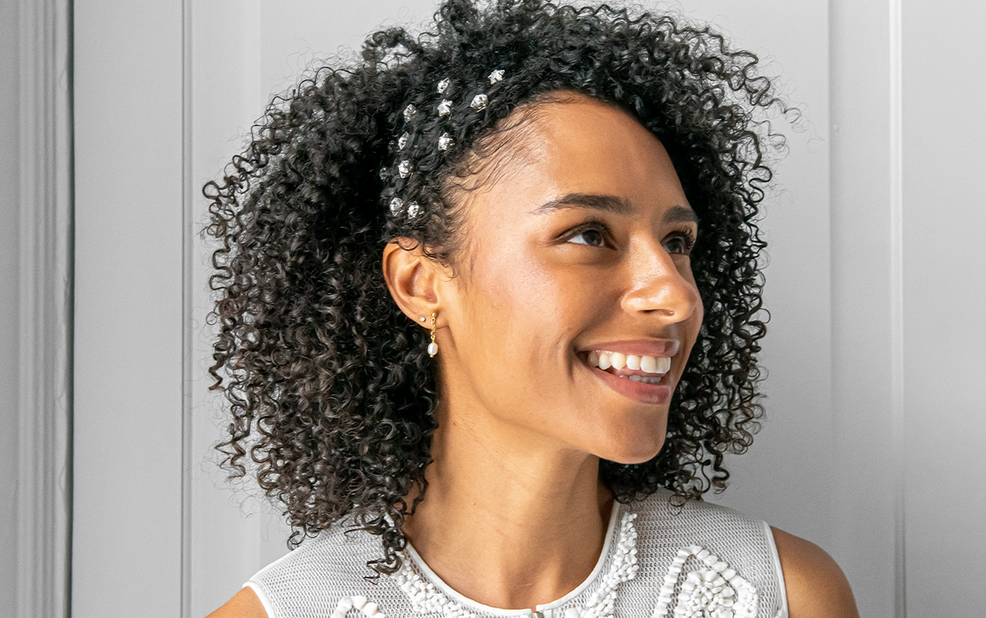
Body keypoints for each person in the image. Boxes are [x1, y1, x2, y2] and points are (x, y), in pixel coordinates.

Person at [204, 1, 858, 617]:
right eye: (588, 235)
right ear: (422, 285)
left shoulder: (782, 595)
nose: (676, 294)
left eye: (677, 243)